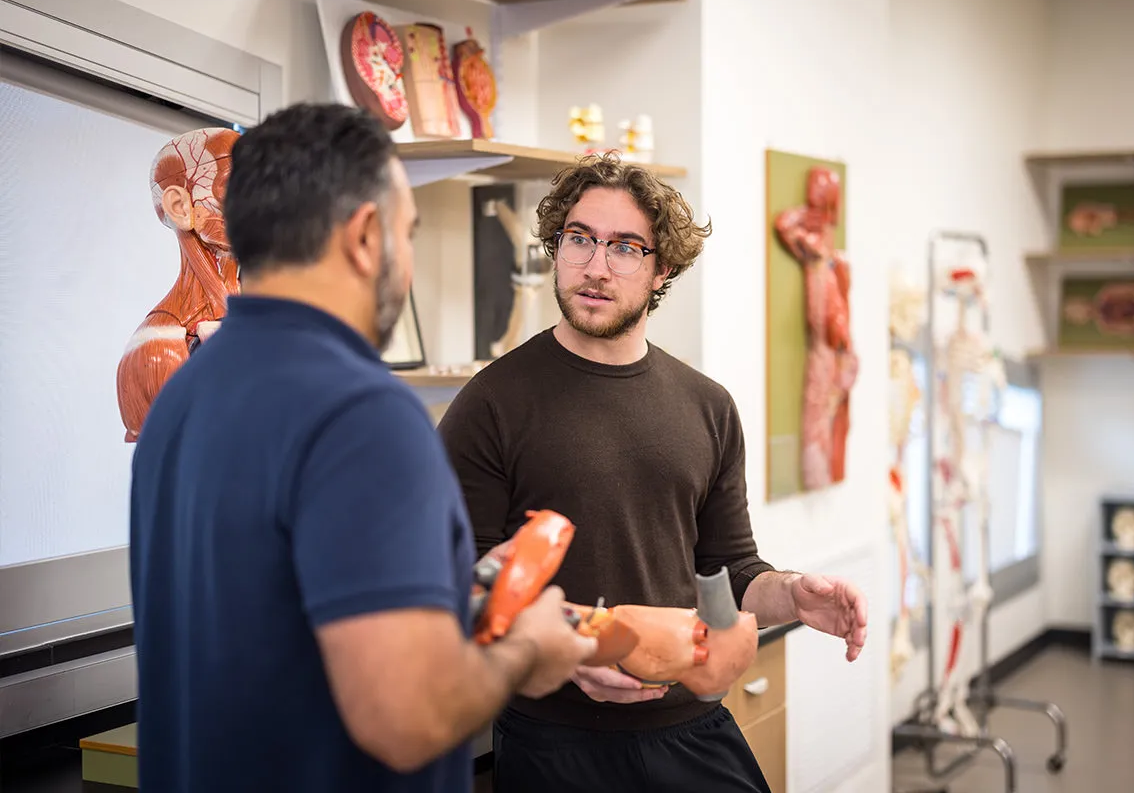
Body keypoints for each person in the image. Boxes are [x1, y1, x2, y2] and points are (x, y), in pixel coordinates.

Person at [127, 103, 596, 793]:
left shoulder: (181, 397)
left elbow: (266, 614)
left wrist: (440, 590)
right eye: (408, 233)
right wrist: (532, 650)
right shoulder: (361, 413)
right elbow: (405, 718)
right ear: (368, 235)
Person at [437, 153, 870, 792]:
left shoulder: (707, 406)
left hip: (691, 732)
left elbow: (728, 572)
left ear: (662, 266)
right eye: (579, 239)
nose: (595, 266)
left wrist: (791, 594)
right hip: (555, 741)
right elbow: (457, 583)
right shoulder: (491, 403)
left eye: (625, 247)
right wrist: (573, 650)